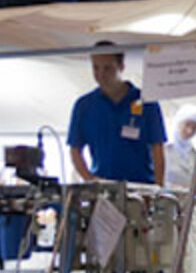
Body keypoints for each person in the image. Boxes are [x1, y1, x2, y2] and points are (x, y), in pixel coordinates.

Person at [67, 43, 166, 184]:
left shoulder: (146, 103)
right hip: (103, 188)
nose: (101, 74)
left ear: (121, 66)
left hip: (141, 186)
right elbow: (75, 149)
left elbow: (157, 147)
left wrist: (159, 187)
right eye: (96, 68)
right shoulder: (84, 106)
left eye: (107, 68)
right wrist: (90, 180)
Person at [163, 105, 196, 190]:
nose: (190, 131)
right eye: (187, 125)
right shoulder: (164, 149)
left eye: (194, 128)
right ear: (178, 122)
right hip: (166, 199)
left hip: (187, 201)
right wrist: (170, 187)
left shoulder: (195, 154)